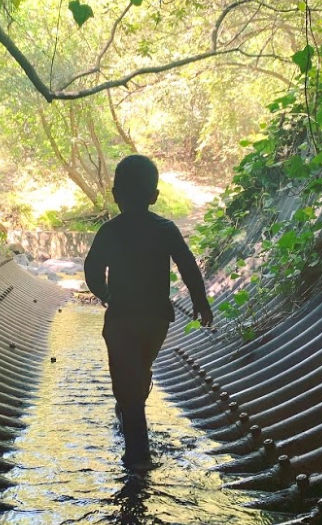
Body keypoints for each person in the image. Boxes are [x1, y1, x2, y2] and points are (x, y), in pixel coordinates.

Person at [84, 154, 213, 470]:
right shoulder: (165, 229)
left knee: (124, 378)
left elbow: (92, 268)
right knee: (139, 367)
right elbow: (188, 267)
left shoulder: (109, 230)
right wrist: (201, 302)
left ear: (115, 195)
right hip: (155, 320)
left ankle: (137, 455)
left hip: (121, 318)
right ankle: (135, 401)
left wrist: (105, 293)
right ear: (154, 196)